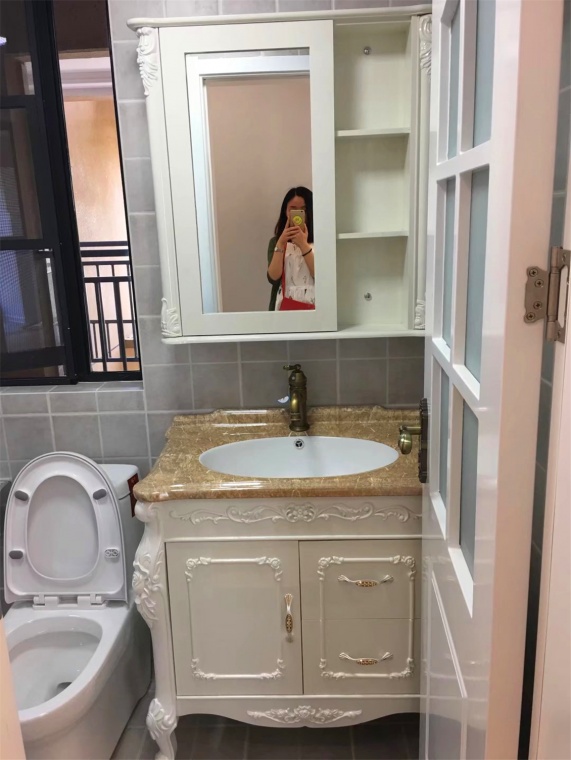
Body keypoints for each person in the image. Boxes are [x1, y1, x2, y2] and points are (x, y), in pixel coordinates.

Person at [267, 187, 315, 311]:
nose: (298, 214)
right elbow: (273, 278)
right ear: (285, 211)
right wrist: (281, 243)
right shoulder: (276, 242)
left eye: (303, 210)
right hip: (284, 308)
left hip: (316, 308)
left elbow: (322, 276)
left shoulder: (323, 241)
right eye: (293, 209)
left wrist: (303, 245)